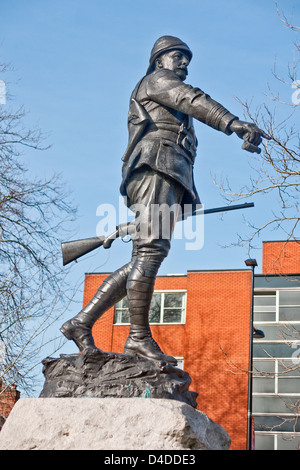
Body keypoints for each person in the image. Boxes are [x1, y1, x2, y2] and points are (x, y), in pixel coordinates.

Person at [60, 36, 269, 365]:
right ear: (159, 61)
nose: (184, 63)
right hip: (157, 164)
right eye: (177, 57)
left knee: (144, 256)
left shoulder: (162, 85)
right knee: (152, 251)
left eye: (187, 59)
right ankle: (138, 338)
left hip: (167, 170)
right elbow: (191, 99)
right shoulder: (157, 80)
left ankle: (81, 322)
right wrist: (233, 123)